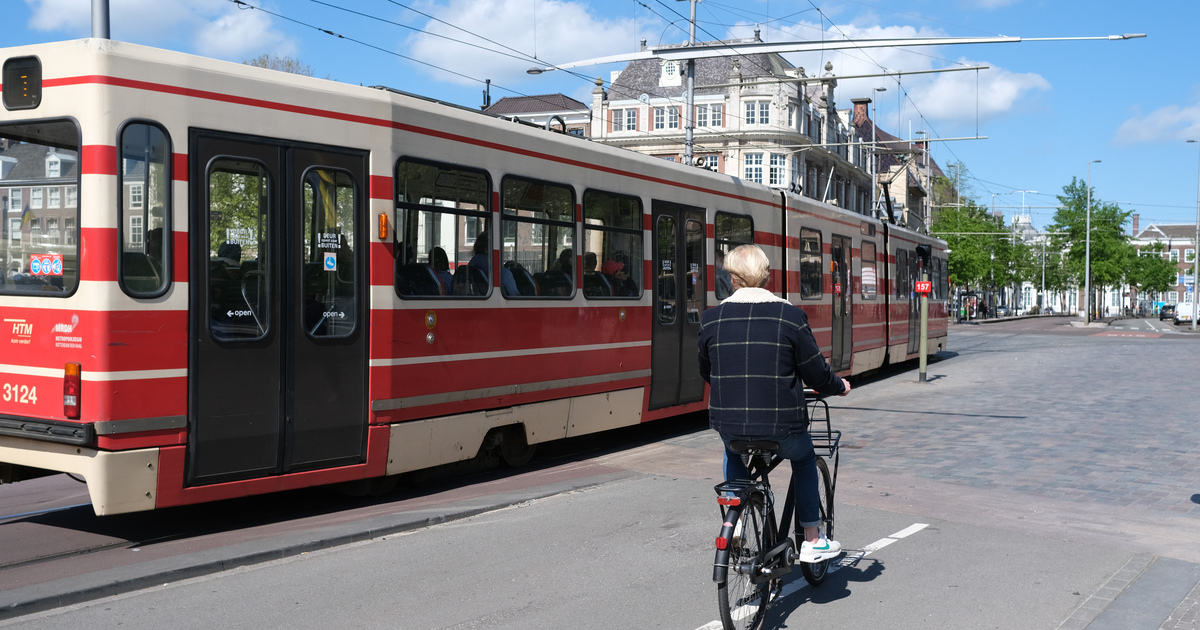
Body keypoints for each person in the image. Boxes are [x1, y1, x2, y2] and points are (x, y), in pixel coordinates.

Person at [697, 244, 850, 563]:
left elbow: (706, 371)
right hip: (784, 428)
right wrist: (840, 386)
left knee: (733, 449)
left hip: (730, 425)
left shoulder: (711, 319)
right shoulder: (790, 317)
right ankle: (812, 539)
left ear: (731, 277)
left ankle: (734, 522)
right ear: (767, 276)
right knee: (805, 457)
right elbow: (816, 374)